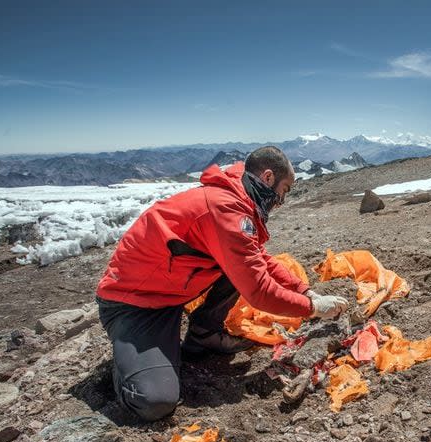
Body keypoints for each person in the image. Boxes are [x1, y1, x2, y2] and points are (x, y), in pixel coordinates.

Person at [96, 146, 348, 421]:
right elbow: (259, 291)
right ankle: (128, 366)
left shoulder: (236, 197)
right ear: (267, 178)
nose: (281, 201)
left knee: (239, 267)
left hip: (168, 294)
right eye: (284, 190)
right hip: (133, 304)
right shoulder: (226, 209)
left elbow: (257, 258)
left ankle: (202, 336)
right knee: (154, 402)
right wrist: (312, 307)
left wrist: (304, 290)